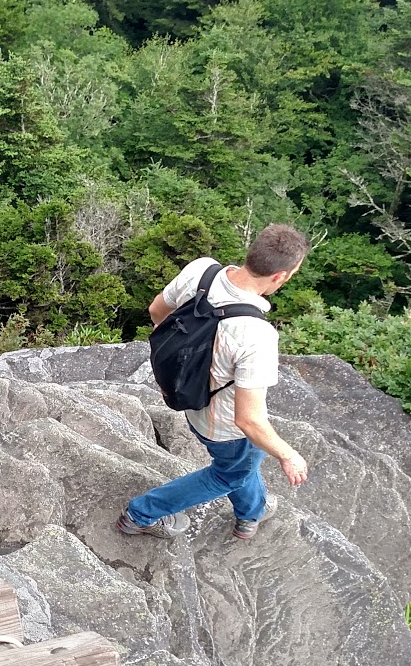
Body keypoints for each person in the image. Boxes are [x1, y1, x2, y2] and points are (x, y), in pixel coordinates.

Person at [118, 223, 310, 541]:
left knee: (240, 468)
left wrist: (190, 357)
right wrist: (288, 455)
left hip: (188, 398)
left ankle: (251, 513)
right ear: (281, 276)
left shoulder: (202, 271)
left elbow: (156, 312)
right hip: (226, 429)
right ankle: (141, 513)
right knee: (228, 473)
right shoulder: (258, 334)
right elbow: (248, 420)